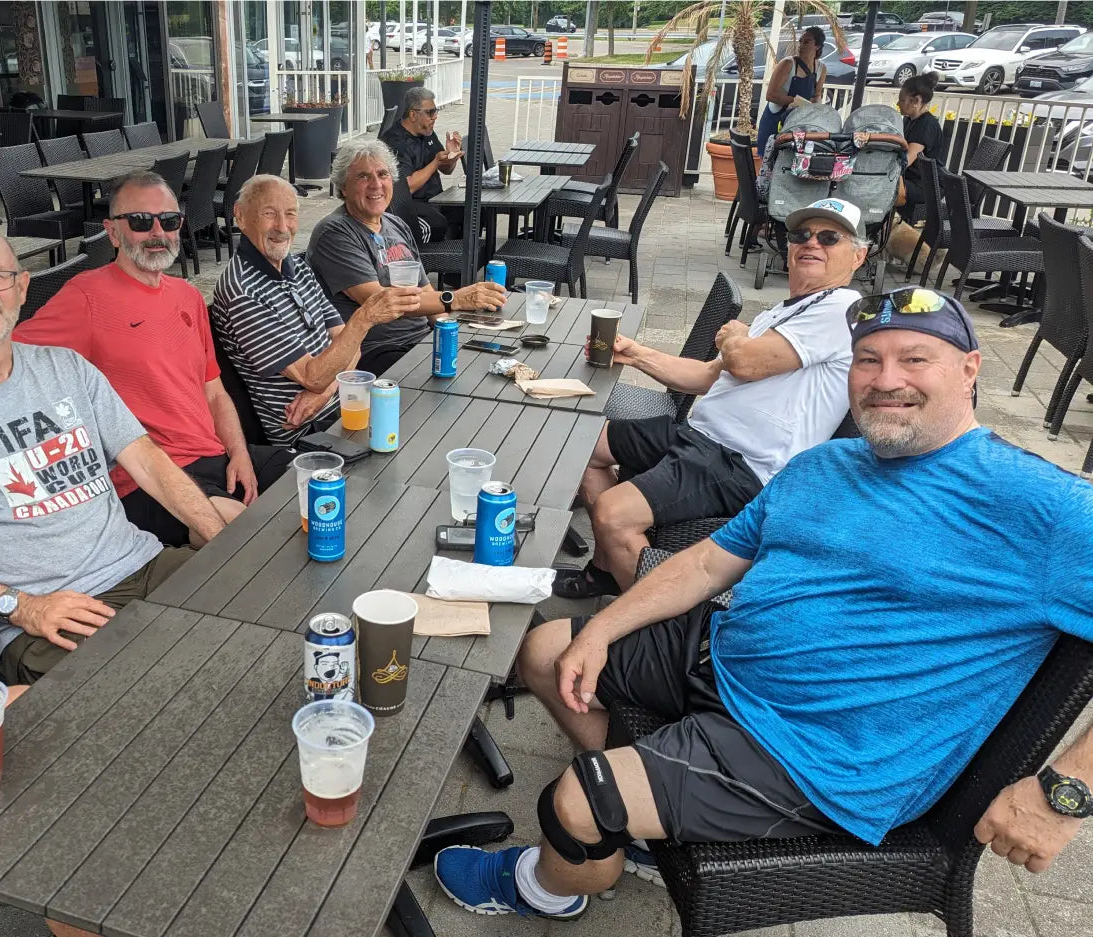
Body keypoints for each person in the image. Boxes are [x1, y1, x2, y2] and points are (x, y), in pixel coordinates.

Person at [437, 286, 1093, 920]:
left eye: (914, 358)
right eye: (868, 358)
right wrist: (600, 629)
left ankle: (550, 888)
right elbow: (703, 562)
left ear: (969, 369)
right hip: (722, 656)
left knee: (576, 801)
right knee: (549, 649)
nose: (885, 377)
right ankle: (645, 826)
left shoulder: (1039, 505)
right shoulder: (825, 463)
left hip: (815, 749)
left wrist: (1063, 791)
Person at [0, 222, 227, 686]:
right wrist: (19, 606)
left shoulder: (66, 368)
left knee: (260, 609)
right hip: (45, 615)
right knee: (160, 688)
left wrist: (220, 543)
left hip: (144, 565)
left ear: (21, 288)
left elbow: (151, 462)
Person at [559, 198, 864, 597]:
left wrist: (736, 334)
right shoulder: (786, 311)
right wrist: (634, 353)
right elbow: (706, 376)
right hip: (698, 438)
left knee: (612, 515)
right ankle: (608, 569)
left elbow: (744, 362)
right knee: (582, 443)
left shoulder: (843, 308)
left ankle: (654, 626)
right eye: (801, 235)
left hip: (742, 463)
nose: (812, 244)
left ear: (858, 256)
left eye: (829, 238)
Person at [12, 172, 292, 545]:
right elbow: (5, 359)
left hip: (215, 458)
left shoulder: (187, 296)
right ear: (113, 233)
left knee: (319, 479)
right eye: (142, 221)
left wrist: (239, 453)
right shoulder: (86, 297)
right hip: (148, 480)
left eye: (170, 221)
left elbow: (215, 393)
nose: (158, 232)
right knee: (242, 534)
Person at [211, 174, 421, 444]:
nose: (282, 227)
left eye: (290, 214)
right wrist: (364, 318)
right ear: (240, 216)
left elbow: (349, 345)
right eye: (269, 214)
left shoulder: (295, 266)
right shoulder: (242, 290)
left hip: (338, 406)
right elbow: (313, 375)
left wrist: (324, 391)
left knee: (425, 419)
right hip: (307, 433)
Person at [306, 138, 507, 376]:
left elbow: (427, 293)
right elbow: (380, 302)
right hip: (376, 352)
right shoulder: (335, 233)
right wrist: (456, 298)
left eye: (383, 174)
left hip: (421, 339)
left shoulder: (395, 225)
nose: (376, 184)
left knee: (487, 365)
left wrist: (450, 333)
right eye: (363, 177)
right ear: (343, 187)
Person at [379, 86, 464, 244]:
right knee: (438, 223)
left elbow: (446, 170)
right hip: (410, 205)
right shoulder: (394, 142)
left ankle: (457, 264)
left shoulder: (427, 133)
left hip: (436, 200)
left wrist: (451, 155)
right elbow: (406, 186)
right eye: (430, 112)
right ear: (413, 114)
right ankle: (436, 259)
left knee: (473, 212)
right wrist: (435, 162)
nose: (435, 117)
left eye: (435, 111)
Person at [756, 26, 827, 158]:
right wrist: (796, 101)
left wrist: (816, 109)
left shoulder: (821, 68)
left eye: (807, 42)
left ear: (817, 46)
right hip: (775, 120)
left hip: (798, 124)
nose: (801, 45)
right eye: (800, 41)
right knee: (768, 161)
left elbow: (817, 94)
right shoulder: (788, 64)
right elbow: (770, 95)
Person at [897, 71, 945, 221]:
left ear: (916, 101)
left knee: (884, 185)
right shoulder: (909, 120)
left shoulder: (926, 125)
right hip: (912, 179)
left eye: (902, 100)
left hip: (926, 185)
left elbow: (905, 161)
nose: (898, 104)